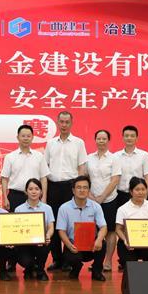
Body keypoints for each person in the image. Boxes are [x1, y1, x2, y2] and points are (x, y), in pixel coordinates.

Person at [44, 111, 88, 272]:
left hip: (71, 187)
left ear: (71, 123)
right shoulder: (50, 143)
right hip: (53, 186)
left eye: (67, 122)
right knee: (54, 223)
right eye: (61, 122)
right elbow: (45, 167)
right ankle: (57, 259)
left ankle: (69, 258)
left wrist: (80, 188)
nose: (64, 125)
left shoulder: (79, 143)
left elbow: (82, 167)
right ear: (57, 123)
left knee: (71, 223)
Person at [56, 175, 107, 281]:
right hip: (73, 244)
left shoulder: (96, 206)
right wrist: (69, 245)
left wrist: (99, 240)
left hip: (92, 245)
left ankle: (96, 271)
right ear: (73, 190)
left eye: (85, 187)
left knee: (103, 243)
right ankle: (76, 268)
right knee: (71, 257)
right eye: (79, 187)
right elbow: (61, 230)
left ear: (89, 190)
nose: (82, 190)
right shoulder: (64, 208)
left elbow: (103, 227)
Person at [85, 129, 122, 272]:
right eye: (99, 138)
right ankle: (97, 262)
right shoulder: (89, 158)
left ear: (108, 140)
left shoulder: (114, 158)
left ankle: (107, 261)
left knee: (110, 231)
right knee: (94, 230)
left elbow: (115, 180)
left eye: (104, 138)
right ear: (95, 140)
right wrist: (91, 196)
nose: (101, 141)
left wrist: (102, 197)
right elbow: (85, 178)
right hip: (91, 199)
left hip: (109, 200)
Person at [0, 124, 50, 212]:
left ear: (32, 138)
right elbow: (4, 179)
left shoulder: (39, 156)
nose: (26, 138)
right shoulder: (10, 157)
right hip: (15, 196)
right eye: (23, 136)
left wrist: (44, 197)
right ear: (18, 137)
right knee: (15, 220)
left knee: (35, 220)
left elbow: (43, 178)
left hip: (35, 196)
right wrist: (5, 198)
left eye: (28, 136)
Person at [13, 178, 54, 281]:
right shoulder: (19, 209)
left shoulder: (47, 208)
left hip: (40, 242)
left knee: (45, 246)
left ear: (41, 191)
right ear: (26, 191)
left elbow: (51, 227)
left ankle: (40, 270)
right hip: (24, 244)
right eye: (30, 189)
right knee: (26, 261)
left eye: (37, 189)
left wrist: (47, 235)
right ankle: (29, 269)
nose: (34, 191)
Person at [115, 177, 148, 264]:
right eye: (137, 189)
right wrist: (125, 240)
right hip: (129, 243)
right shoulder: (123, 209)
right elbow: (118, 229)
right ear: (131, 191)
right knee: (129, 263)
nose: (140, 192)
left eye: (143, 189)